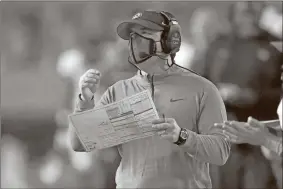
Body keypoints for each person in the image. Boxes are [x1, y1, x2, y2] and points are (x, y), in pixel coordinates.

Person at [68, 10, 230, 188]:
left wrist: (182, 136)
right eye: (133, 37)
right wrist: (85, 100)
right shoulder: (118, 91)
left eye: (144, 35)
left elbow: (220, 152)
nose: (136, 43)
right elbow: (80, 143)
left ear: (170, 40)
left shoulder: (202, 89)